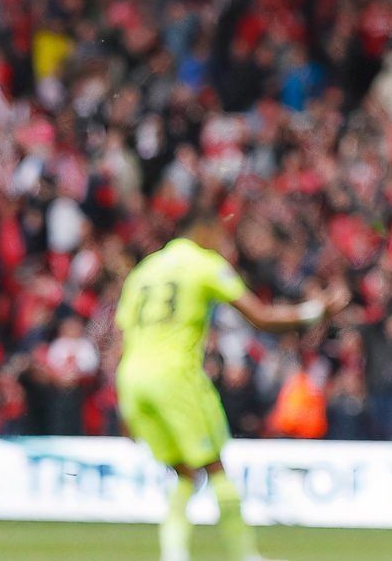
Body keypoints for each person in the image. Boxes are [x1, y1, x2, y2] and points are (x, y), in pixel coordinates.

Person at [114, 207, 348, 561]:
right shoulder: (203, 264)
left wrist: (123, 405)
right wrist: (317, 311)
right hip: (175, 375)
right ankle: (246, 556)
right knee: (215, 468)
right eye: (221, 237)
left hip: (132, 377)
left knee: (184, 472)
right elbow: (262, 316)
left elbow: (123, 336)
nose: (225, 246)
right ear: (205, 232)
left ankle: (173, 553)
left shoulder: (144, 272)